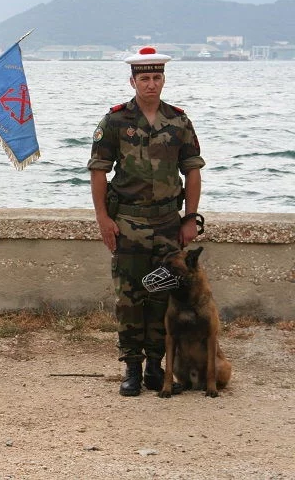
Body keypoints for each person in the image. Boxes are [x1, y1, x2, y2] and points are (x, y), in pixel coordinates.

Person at [87, 46, 204, 397]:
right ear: (133, 81)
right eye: (144, 78)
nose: (150, 84)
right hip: (129, 223)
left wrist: (190, 219)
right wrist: (104, 219)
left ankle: (156, 365)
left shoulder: (179, 121)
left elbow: (193, 171)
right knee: (129, 297)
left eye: (156, 78)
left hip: (169, 222)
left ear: (163, 80)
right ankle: (132, 368)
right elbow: (98, 172)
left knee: (163, 293)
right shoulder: (114, 121)